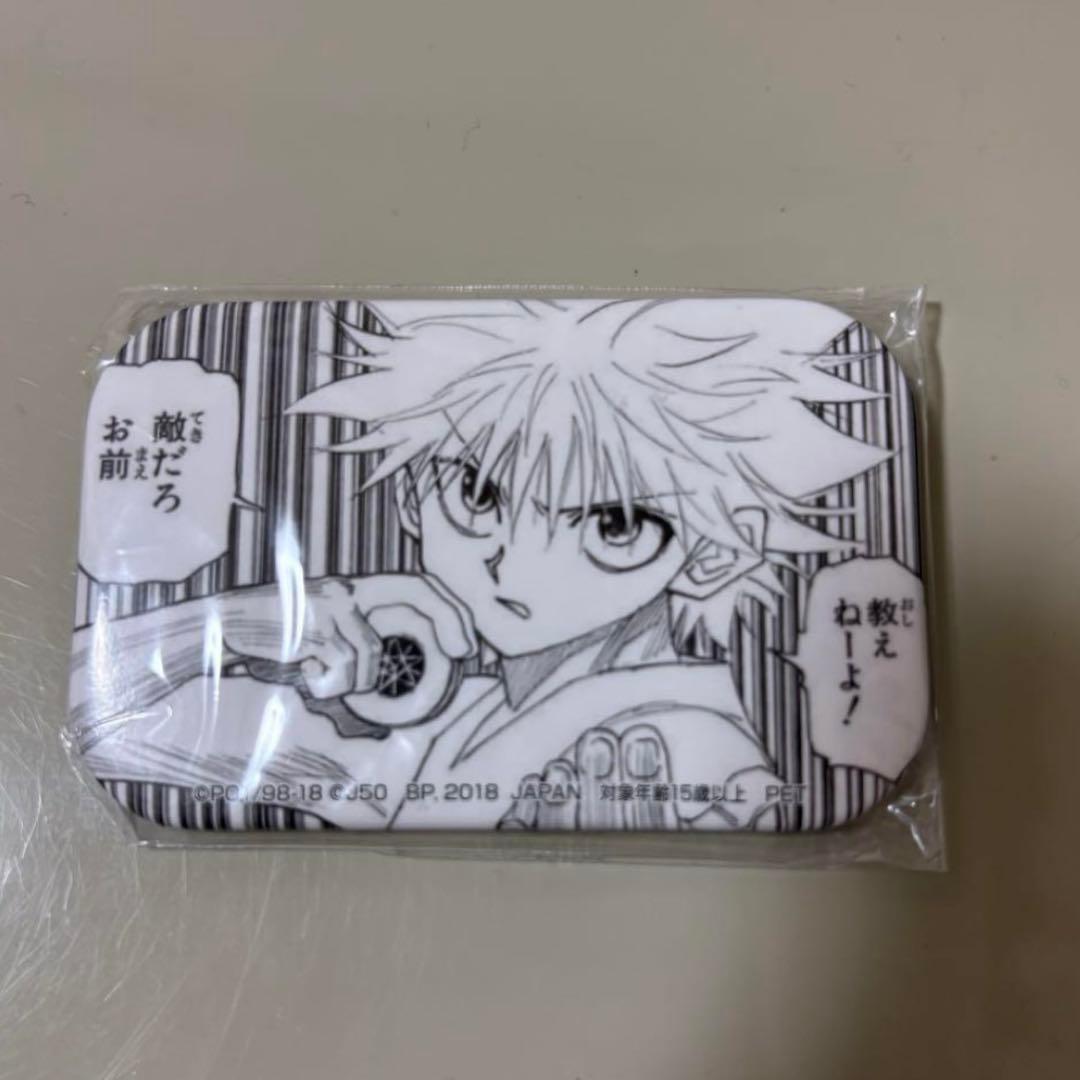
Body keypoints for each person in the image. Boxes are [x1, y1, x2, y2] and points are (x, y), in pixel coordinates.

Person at [70, 298, 888, 831]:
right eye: (477, 492)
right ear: (413, 497)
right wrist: (240, 621)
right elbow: (102, 731)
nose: (511, 561)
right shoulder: (459, 716)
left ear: (715, 553)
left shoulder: (677, 737)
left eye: (613, 524)